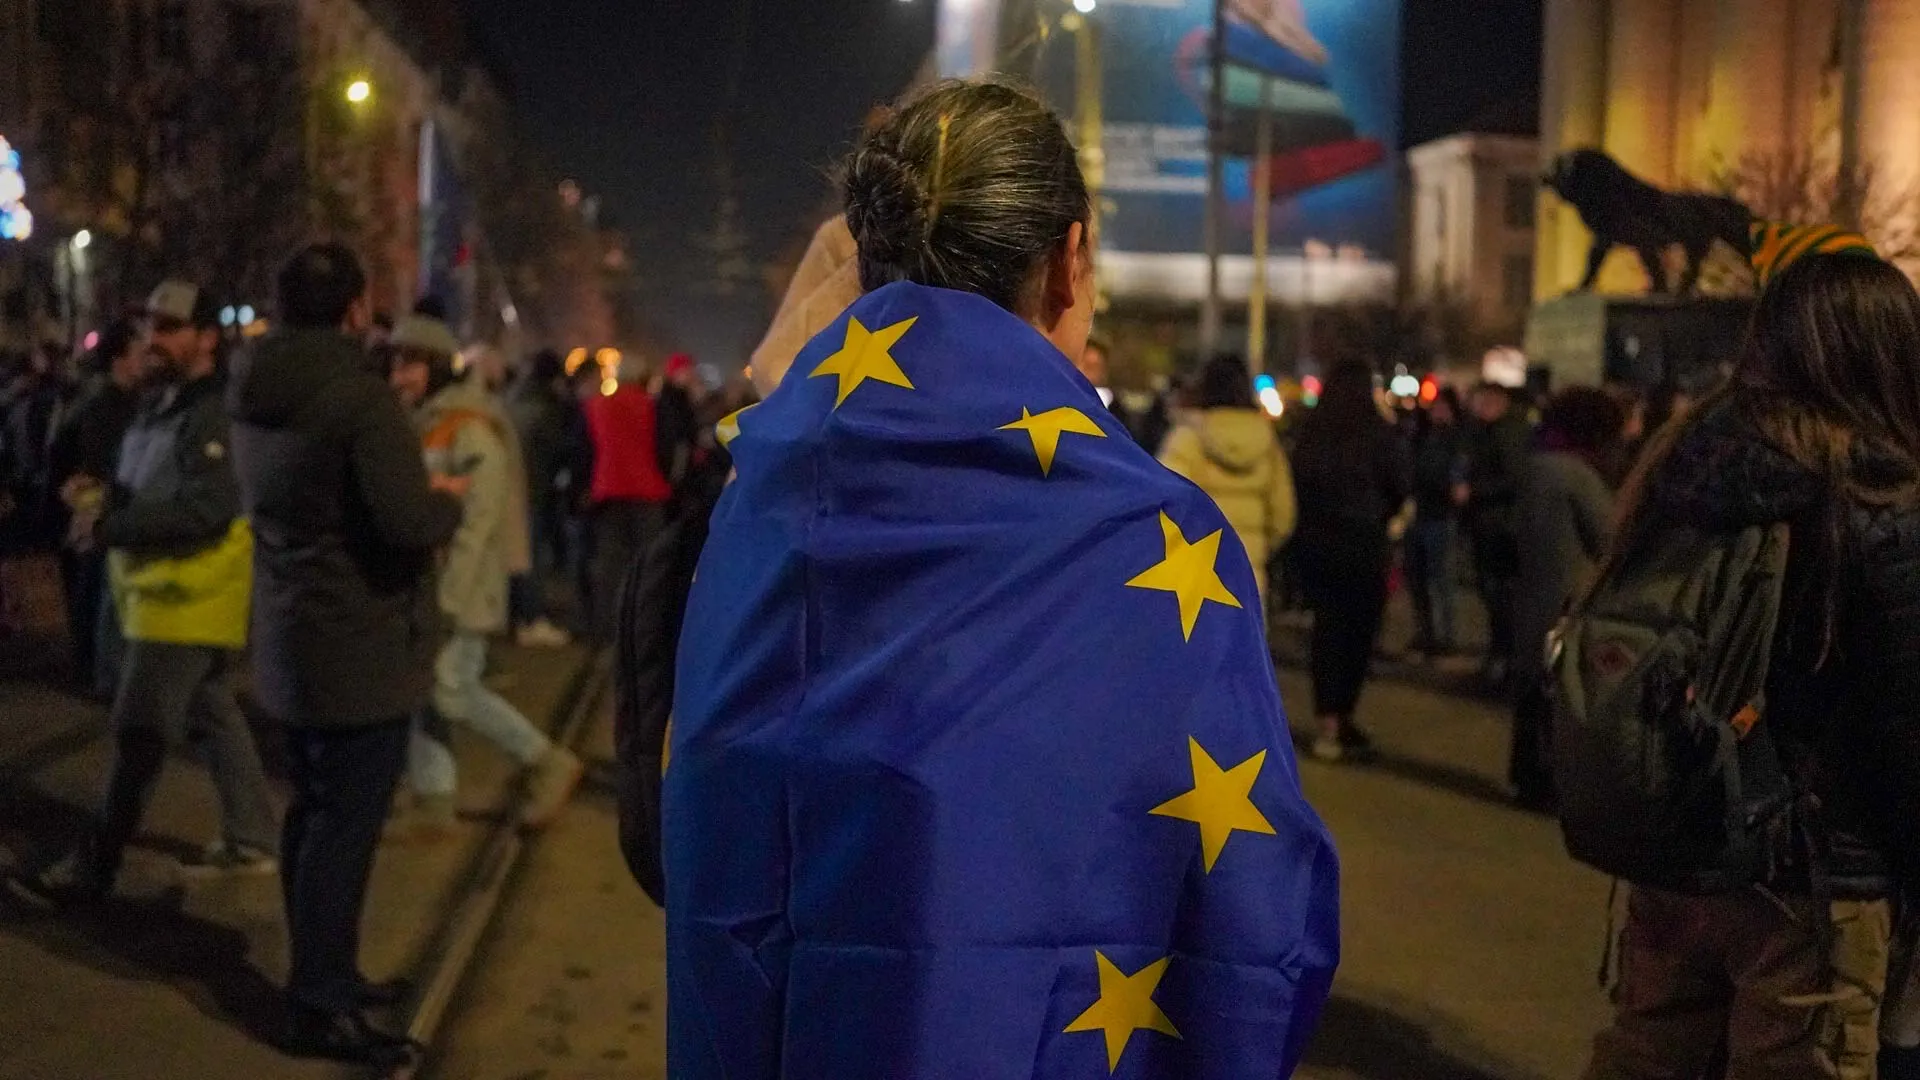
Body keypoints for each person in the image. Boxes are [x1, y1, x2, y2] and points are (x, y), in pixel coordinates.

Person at [649, 79, 1337, 1078]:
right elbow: (1253, 902)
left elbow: (704, 828)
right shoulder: (1155, 536)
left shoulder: (758, 501)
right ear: (1068, 260)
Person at [1581, 250, 1920, 1080]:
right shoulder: (1880, 496)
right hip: (1816, 880)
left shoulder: (1686, 465)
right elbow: (1903, 728)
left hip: (1680, 846)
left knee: (1647, 1058)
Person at [227, 245, 461, 1069]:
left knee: (312, 814)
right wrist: (446, 505)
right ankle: (320, 1004)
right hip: (360, 642)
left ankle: (325, 974)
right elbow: (404, 521)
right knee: (343, 830)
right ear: (357, 310)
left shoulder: (253, 386)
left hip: (291, 634)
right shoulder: (360, 400)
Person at [9, 281, 277, 908]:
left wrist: (110, 525)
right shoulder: (163, 405)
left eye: (170, 328)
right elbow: (153, 490)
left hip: (184, 599)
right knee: (211, 713)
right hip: (157, 594)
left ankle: (90, 869)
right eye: (151, 326)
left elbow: (206, 509)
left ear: (206, 339)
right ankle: (253, 838)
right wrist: (100, 497)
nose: (154, 339)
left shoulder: (211, 414)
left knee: (138, 735)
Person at [386, 315, 584, 833]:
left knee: (451, 690)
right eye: (395, 365)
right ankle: (434, 803)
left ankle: (545, 760)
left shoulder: (468, 426)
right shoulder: (430, 421)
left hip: (465, 587)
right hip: (438, 583)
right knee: (431, 690)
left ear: (436, 368)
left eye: (409, 366)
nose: (398, 377)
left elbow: (478, 522)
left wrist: (449, 598)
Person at [1289, 363, 1411, 763]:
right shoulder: (1379, 434)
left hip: (1320, 545)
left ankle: (1327, 721)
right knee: (1359, 634)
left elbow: (1299, 483)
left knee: (1327, 631)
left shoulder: (1313, 433)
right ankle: (1344, 713)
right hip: (1364, 544)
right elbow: (1399, 486)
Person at [1508, 387, 1622, 812]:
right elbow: (1609, 538)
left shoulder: (1535, 469)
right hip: (1567, 599)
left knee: (1530, 690)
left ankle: (1525, 776)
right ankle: (1547, 781)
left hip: (1531, 592)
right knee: (1558, 695)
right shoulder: (1577, 477)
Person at [50, 319, 145, 693]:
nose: (145, 359)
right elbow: (97, 464)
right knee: (96, 589)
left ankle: (95, 670)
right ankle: (98, 674)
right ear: (119, 359)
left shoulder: (111, 398)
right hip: (93, 508)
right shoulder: (105, 404)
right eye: (138, 352)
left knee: (94, 589)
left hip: (91, 506)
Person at [1157, 353, 1297, 605]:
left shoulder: (1187, 439)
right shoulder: (1267, 444)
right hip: (1248, 576)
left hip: (1191, 578)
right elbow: (1283, 515)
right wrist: (1258, 548)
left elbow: (1165, 507)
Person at [583, 357, 672, 643]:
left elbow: (587, 450)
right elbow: (665, 448)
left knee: (610, 564)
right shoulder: (651, 407)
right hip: (648, 492)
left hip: (609, 491)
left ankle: (607, 625)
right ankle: (644, 627)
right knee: (648, 566)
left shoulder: (597, 406)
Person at [1464, 381, 1531, 687]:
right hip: (1490, 524)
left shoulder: (1508, 433)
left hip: (1500, 527)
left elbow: (1513, 478)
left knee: (1500, 596)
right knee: (1495, 595)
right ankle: (1501, 657)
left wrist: (1475, 491)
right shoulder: (1488, 432)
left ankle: (1505, 659)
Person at [504, 349, 573, 647]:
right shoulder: (546, 408)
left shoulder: (512, 399)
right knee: (531, 558)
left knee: (516, 556)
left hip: (512, 488)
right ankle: (531, 619)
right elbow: (556, 452)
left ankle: (514, 617)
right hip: (533, 490)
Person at [1406, 386, 1467, 658]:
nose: (1437, 411)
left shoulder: (1458, 439)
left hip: (1441, 517)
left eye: (1443, 406)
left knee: (1441, 580)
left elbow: (1455, 478)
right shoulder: (1421, 436)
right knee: (1417, 579)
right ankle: (1425, 631)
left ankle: (1445, 635)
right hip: (1419, 514)